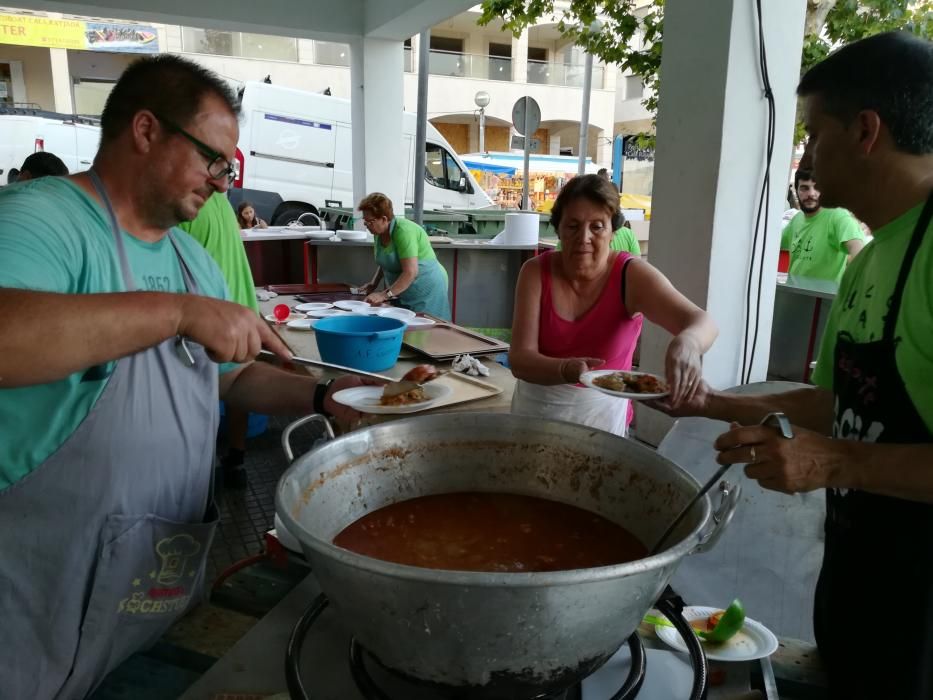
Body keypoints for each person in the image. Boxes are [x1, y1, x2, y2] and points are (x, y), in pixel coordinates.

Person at [0, 54, 368, 700]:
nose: (225, 182)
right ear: (145, 130)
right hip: (40, 599)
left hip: (156, 590)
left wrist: (323, 396)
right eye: (213, 159)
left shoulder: (192, 259)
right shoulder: (44, 218)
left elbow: (227, 381)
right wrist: (174, 313)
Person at [655, 32, 933, 700]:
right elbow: (837, 404)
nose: (803, 157)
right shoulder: (869, 257)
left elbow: (838, 442)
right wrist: (711, 404)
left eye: (812, 134)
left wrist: (834, 462)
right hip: (860, 585)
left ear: (865, 130)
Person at [509, 174, 717, 436]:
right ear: (558, 229)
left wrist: (688, 343)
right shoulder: (535, 272)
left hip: (604, 423)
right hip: (535, 415)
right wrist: (565, 370)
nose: (584, 237)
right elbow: (520, 360)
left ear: (613, 232)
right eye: (572, 226)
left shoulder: (630, 276)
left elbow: (703, 322)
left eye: (597, 226)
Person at [178, 192, 259, 488]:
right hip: (241, 306)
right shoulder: (220, 203)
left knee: (201, 393)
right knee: (238, 385)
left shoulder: (184, 208)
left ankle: (201, 469)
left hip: (211, 315)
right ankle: (236, 460)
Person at [356, 192, 451, 320]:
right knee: (403, 328)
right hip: (402, 288)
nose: (366, 225)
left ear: (384, 219)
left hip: (425, 287)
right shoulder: (378, 232)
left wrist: (384, 295)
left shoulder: (404, 231)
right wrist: (373, 284)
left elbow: (410, 272)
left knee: (425, 329)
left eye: (370, 221)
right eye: (365, 221)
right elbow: (386, 261)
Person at [780, 168, 866, 282]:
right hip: (795, 295)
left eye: (817, 187)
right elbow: (773, 244)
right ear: (796, 190)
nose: (811, 193)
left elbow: (859, 251)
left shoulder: (837, 215)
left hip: (823, 298)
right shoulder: (796, 219)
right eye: (804, 188)